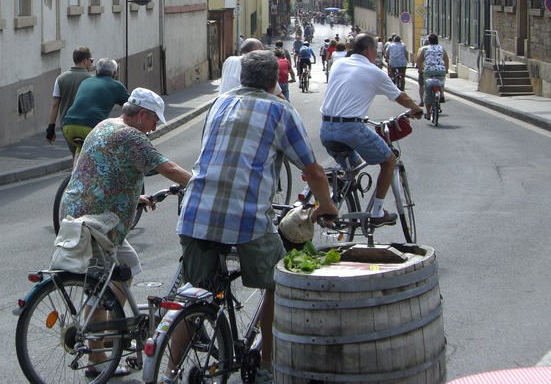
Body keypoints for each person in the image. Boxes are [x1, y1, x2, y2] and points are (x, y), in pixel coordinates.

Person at [177, 50, 338, 382]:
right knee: (279, 281)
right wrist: (326, 206)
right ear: (275, 80)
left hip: (194, 214)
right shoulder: (280, 111)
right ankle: (266, 363)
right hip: (245, 219)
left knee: (193, 293)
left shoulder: (218, 105)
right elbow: (314, 172)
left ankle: (168, 371)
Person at [61, 87, 192, 377]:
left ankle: (107, 327)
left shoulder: (105, 125)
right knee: (100, 285)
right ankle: (97, 358)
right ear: (141, 115)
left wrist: (137, 197)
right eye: (154, 120)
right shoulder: (132, 137)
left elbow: (104, 169)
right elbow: (168, 168)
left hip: (79, 213)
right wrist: (201, 184)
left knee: (128, 266)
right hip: (97, 224)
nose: (155, 127)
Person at [320, 34, 423, 227]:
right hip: (350, 127)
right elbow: (399, 96)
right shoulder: (374, 71)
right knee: (389, 160)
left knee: (353, 165)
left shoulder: (339, 64)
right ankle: (377, 212)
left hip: (326, 128)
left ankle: (336, 200)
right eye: (376, 50)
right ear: (368, 50)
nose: (377, 54)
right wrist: (415, 108)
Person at [61, 58, 129, 156]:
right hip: (90, 127)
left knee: (81, 152)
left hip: (68, 126)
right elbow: (131, 108)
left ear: (96, 71)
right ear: (114, 74)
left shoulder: (85, 82)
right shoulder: (117, 86)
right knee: (108, 156)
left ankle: (76, 170)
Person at [46, 47, 93, 155]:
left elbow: (55, 105)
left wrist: (50, 129)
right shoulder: (91, 79)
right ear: (85, 61)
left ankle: (74, 171)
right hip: (85, 125)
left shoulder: (60, 78)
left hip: (67, 126)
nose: (91, 64)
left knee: (75, 155)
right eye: (91, 60)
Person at [416, 33, 449, 119]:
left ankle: (427, 113)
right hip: (440, 70)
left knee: (428, 91)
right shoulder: (442, 49)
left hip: (429, 71)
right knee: (441, 81)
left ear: (429, 41)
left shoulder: (425, 49)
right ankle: (441, 94)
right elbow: (446, 60)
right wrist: (446, 70)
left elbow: (420, 60)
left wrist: (420, 70)